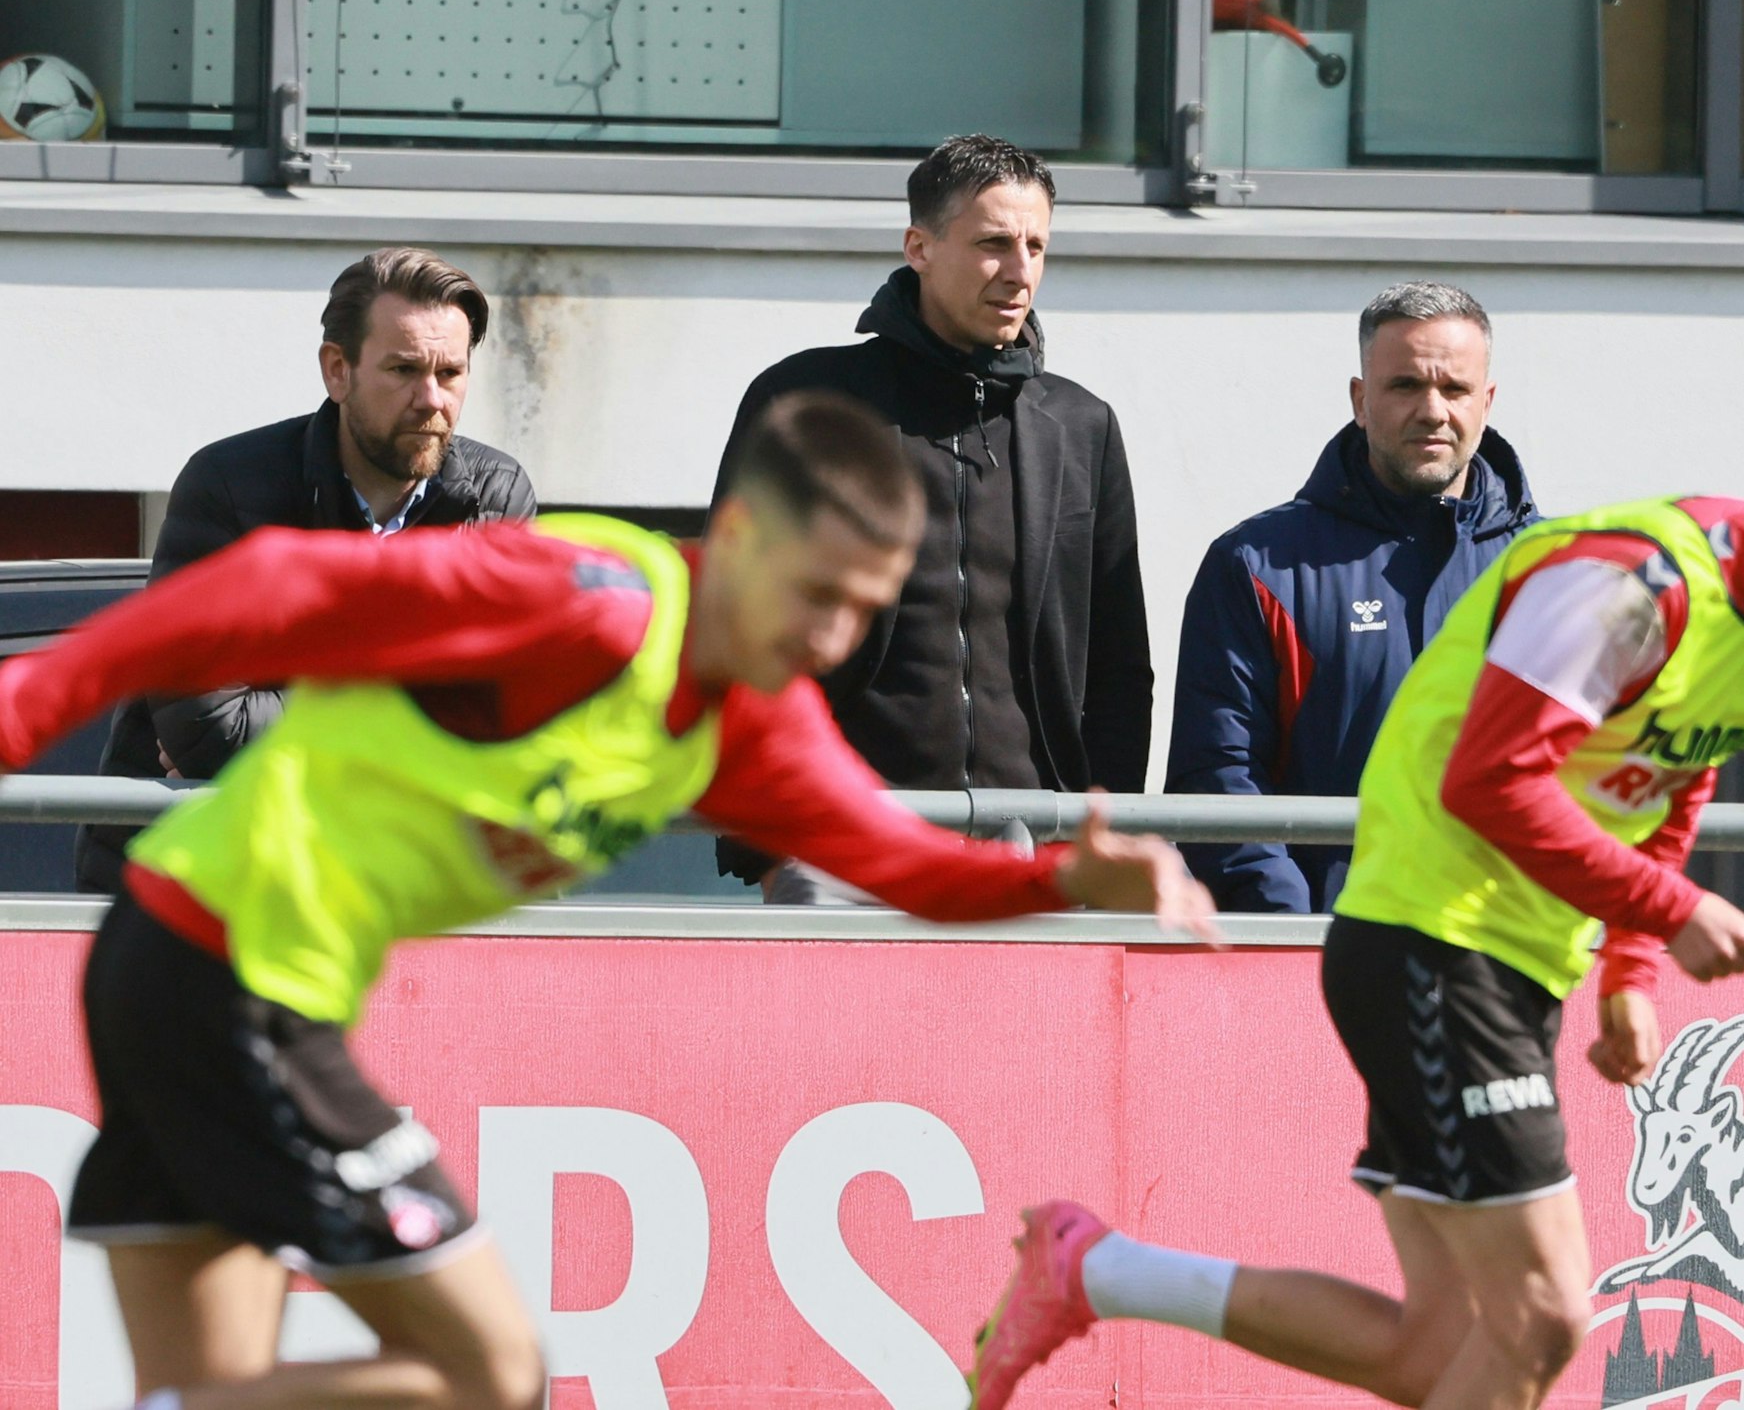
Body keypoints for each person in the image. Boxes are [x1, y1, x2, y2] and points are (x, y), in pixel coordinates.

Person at [0, 392, 1218, 1410]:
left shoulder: (754, 723)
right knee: (495, 1373)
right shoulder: (581, 604)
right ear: (734, 537)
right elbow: (263, 584)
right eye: (815, 593)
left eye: (866, 605)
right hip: (230, 979)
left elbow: (903, 866)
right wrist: (23, 714)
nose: (834, 636)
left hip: (186, 963)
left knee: (217, 1382)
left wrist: (1061, 878)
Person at [965, 423, 1744, 1410]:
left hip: (1500, 968)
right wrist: (1667, 907)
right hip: (1433, 945)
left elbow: (1674, 789)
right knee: (1545, 1320)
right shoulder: (1632, 582)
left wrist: (1631, 972)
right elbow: (1488, 781)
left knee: (1441, 1354)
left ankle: (1095, 1270)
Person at [710, 133, 1152, 901]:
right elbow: (735, 626)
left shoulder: (1083, 426)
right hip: (842, 837)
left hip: (1033, 841)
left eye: (1037, 246)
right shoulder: (806, 403)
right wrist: (768, 839)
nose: (1020, 272)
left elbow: (1119, 663)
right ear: (919, 246)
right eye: (992, 244)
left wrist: (1097, 832)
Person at [76, 245, 536, 894]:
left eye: (451, 373)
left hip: (386, 887)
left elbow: (505, 719)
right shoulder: (230, 487)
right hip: (197, 885)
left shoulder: (495, 497)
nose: (431, 399)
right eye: (404, 369)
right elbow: (209, 726)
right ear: (337, 370)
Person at [1167, 281, 1537, 913]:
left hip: (1506, 960)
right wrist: (1294, 934)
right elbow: (1220, 778)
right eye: (1404, 386)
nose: (1432, 410)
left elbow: (1601, 774)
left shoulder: (1557, 571)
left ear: (1488, 401)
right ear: (1360, 400)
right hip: (1319, 955)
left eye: (1455, 389)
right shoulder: (1258, 566)